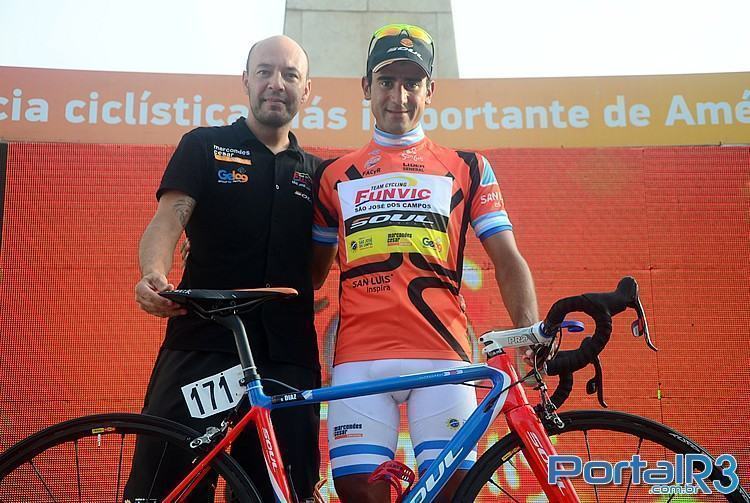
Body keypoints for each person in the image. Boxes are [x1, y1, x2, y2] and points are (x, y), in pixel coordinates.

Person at [311, 24, 538, 502]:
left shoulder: (468, 167)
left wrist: (529, 331)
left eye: (412, 82)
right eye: (387, 81)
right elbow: (311, 274)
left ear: (430, 91)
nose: (399, 95)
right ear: (366, 88)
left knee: (453, 495)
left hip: (445, 360)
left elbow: (507, 258)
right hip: (359, 363)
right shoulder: (333, 176)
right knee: (358, 495)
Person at [127, 35, 321, 502]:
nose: (277, 83)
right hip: (202, 344)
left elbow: (315, 272)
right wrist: (154, 273)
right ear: (246, 81)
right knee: (165, 489)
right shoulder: (204, 145)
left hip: (285, 358)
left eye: (290, 75)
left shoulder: (318, 173)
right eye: (265, 72)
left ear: (306, 90)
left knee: (279, 491)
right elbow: (168, 220)